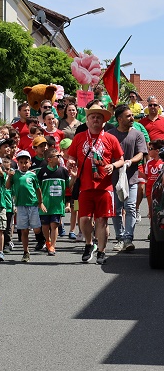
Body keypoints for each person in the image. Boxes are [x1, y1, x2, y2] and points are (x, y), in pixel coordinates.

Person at [66, 103, 125, 265]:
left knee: (102, 220)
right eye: (92, 117)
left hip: (104, 187)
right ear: (87, 120)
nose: (95, 120)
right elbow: (71, 156)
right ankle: (88, 243)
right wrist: (71, 162)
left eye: (99, 117)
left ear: (104, 121)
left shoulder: (110, 138)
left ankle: (101, 251)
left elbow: (121, 159)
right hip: (84, 186)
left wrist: (113, 166)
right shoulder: (79, 137)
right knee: (84, 219)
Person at [106, 104, 147, 252]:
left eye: (132, 115)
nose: (132, 118)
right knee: (116, 210)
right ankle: (120, 238)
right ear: (119, 119)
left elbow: (141, 154)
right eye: (128, 116)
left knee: (130, 208)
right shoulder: (110, 135)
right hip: (113, 179)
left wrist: (130, 161)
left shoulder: (137, 134)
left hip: (132, 178)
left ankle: (128, 238)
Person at [6, 150, 45, 262]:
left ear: (30, 163)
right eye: (21, 162)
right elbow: (8, 187)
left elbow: (38, 189)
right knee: (24, 230)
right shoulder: (14, 174)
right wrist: (9, 177)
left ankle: (41, 238)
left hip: (33, 205)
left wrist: (40, 202)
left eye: (26, 162)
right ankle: (26, 252)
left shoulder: (32, 175)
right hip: (21, 206)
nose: (23, 165)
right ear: (18, 163)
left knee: (37, 229)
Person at [37, 148, 71, 256]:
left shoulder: (63, 171)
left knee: (54, 224)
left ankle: (53, 246)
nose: (60, 158)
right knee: (45, 225)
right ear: (49, 159)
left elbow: (69, 185)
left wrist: (74, 177)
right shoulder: (42, 172)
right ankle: (47, 241)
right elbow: (38, 188)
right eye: (57, 156)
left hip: (57, 204)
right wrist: (40, 202)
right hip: (45, 204)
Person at [144, 140, 164, 224]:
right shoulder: (149, 162)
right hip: (150, 190)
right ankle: (152, 229)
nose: (148, 151)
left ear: (157, 151)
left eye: (150, 149)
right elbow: (146, 176)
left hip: (160, 190)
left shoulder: (162, 162)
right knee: (151, 209)